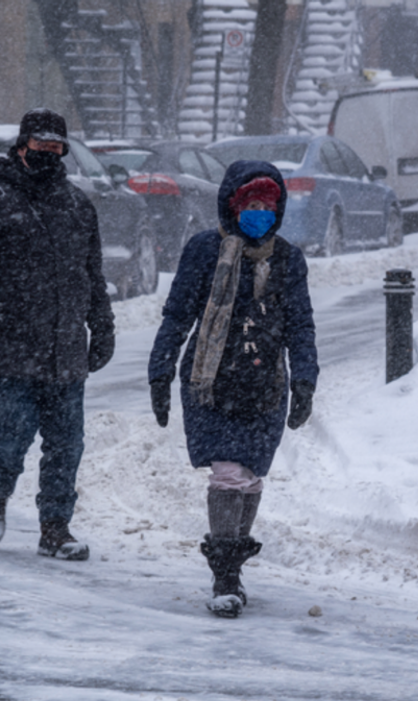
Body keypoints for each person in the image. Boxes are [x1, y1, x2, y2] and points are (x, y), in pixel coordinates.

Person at [148, 160, 318, 618]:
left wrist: (305, 380)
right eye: (251, 204)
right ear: (232, 206)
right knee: (228, 473)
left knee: (249, 477)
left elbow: (300, 326)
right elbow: (178, 315)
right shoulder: (205, 251)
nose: (260, 212)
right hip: (213, 383)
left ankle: (233, 563)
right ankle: (225, 575)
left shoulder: (288, 259)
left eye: (268, 205)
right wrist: (159, 371)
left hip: (265, 385)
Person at [0, 109, 115, 559]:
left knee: (67, 444)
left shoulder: (78, 205)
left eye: (55, 149)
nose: (47, 155)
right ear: (21, 146)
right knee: (15, 429)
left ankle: (56, 528)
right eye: (39, 147)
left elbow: (91, 275)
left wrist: (102, 326)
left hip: (66, 348)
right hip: (10, 344)